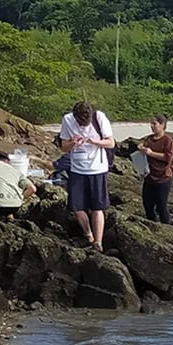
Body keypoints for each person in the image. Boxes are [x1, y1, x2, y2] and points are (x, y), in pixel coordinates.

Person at [59, 101, 114, 251]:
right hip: (77, 169)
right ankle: (88, 235)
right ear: (75, 118)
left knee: (97, 207)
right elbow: (63, 146)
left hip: (97, 169)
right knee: (77, 207)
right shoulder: (67, 120)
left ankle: (98, 242)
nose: (83, 126)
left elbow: (111, 143)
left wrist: (94, 142)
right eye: (81, 123)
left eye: (86, 123)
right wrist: (73, 143)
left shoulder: (99, 118)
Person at [138, 114, 173, 224]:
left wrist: (151, 153)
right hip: (149, 176)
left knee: (161, 206)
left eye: (154, 124)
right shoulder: (149, 139)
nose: (152, 126)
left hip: (163, 178)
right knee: (147, 205)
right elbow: (144, 151)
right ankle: (152, 226)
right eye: (151, 123)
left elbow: (168, 158)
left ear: (162, 125)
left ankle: (166, 228)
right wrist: (142, 149)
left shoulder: (167, 140)